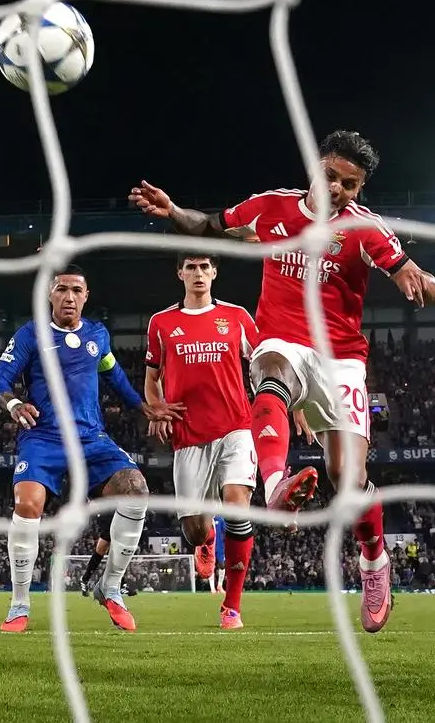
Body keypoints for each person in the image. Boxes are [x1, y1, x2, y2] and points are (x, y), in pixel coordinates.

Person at [129, 129, 435, 634]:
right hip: (284, 343)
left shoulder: (365, 229)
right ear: (314, 167)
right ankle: (275, 485)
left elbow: (429, 286)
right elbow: (213, 228)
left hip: (340, 360)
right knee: (269, 368)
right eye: (332, 175)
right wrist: (173, 213)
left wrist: (418, 280)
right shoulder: (272, 207)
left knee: (348, 484)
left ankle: (373, 561)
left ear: (359, 188)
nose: (338, 188)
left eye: (351, 183)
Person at [0, 265, 182, 633]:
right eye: (61, 290)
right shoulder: (31, 335)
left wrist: (142, 406)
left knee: (137, 492)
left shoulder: (98, 335)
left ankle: (110, 587)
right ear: (50, 294)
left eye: (77, 290)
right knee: (27, 504)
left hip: (92, 439)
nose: (69, 297)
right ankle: (19, 603)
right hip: (44, 438)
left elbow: (113, 373)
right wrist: (13, 403)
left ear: (86, 296)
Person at [144, 254, 260, 629]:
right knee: (195, 531)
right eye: (190, 267)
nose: (198, 273)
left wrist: (283, 407)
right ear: (179, 273)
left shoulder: (238, 317)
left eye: (204, 266)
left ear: (214, 272)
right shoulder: (161, 323)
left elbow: (263, 364)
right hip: (188, 436)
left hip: (236, 427)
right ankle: (208, 539)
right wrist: (157, 406)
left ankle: (232, 605)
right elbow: (151, 377)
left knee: (238, 503)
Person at [79, 516, 112, 596]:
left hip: (118, 514)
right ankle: (121, 584)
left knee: (103, 548)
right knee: (110, 546)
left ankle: (85, 579)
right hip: (112, 514)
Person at [211, 515, 227, 594]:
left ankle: (220, 586)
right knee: (211, 566)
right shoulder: (207, 518)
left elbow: (225, 531)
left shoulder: (220, 519)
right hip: (210, 546)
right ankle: (212, 588)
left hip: (220, 546)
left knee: (222, 565)